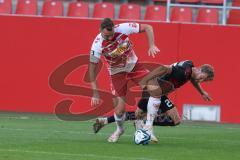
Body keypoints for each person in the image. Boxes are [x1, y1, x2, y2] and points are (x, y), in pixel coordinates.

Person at [93, 60, 214, 143]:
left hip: (160, 93)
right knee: (146, 116)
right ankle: (146, 125)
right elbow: (165, 68)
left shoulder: (191, 69)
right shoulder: (183, 71)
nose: (201, 81)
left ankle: (106, 120)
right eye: (203, 78)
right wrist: (146, 79)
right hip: (154, 90)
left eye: (204, 81)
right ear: (200, 70)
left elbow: (193, 79)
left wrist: (202, 92)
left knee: (141, 115)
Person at [89, 18, 160, 143]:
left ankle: (148, 127)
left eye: (111, 35)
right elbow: (92, 70)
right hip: (116, 73)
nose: (110, 38)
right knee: (119, 110)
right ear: (100, 30)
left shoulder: (123, 28)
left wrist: (152, 44)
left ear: (114, 29)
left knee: (155, 89)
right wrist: (95, 93)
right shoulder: (97, 44)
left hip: (134, 66)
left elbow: (148, 27)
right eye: (107, 36)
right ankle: (119, 129)